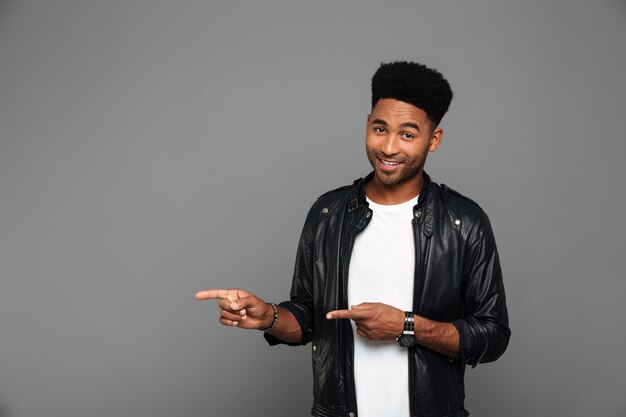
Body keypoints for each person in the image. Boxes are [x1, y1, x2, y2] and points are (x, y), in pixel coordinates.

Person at [196, 61, 510, 417]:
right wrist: (267, 315)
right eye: (380, 129)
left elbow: (493, 335)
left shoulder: (463, 222)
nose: (389, 147)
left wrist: (406, 326)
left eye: (407, 134)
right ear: (367, 125)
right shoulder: (327, 215)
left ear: (433, 139)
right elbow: (307, 319)